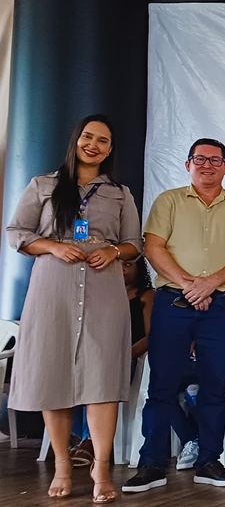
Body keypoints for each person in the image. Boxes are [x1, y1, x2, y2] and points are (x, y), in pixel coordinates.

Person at [6, 114, 143, 503]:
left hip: (104, 287)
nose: (93, 145)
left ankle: (101, 468)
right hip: (53, 286)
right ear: (76, 140)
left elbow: (135, 242)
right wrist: (52, 246)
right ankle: (63, 465)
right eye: (88, 137)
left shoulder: (120, 193)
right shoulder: (44, 185)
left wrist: (113, 251)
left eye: (103, 140)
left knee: (101, 379)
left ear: (110, 149)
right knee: (55, 375)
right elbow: (18, 233)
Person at [123, 138, 225, 492]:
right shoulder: (168, 201)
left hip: (221, 306)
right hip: (173, 303)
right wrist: (191, 286)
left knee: (215, 386)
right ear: (188, 165)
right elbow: (153, 248)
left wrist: (211, 284)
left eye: (215, 160)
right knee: (162, 386)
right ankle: (152, 464)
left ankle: (209, 461)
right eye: (199, 159)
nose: (207, 165)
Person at [70, 257, 156, 467]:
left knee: (98, 376)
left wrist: (125, 354)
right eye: (119, 266)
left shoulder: (146, 296)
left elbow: (152, 337)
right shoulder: (102, 294)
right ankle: (76, 436)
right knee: (72, 375)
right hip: (99, 356)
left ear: (139, 268)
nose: (123, 270)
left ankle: (91, 440)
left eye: (128, 264)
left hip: (130, 358)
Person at [172, 306, 225, 470]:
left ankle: (203, 440)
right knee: (162, 393)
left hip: (222, 370)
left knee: (194, 392)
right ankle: (191, 439)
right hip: (193, 367)